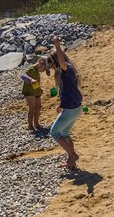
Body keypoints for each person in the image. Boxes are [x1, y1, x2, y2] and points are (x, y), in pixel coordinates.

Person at [48, 35, 82, 168]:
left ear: (56, 61)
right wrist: (61, 105)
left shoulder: (65, 67)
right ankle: (71, 162)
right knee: (65, 134)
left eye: (51, 62)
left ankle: (72, 155)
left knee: (55, 132)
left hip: (72, 108)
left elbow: (61, 61)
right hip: (75, 107)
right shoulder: (68, 71)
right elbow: (68, 92)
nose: (50, 66)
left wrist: (57, 45)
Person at [21, 56, 50, 131]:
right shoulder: (31, 69)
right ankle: (30, 125)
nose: (43, 71)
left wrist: (39, 88)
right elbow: (23, 76)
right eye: (43, 69)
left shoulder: (37, 71)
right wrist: (30, 80)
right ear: (40, 62)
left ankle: (36, 123)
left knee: (38, 107)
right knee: (32, 108)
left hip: (36, 91)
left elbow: (37, 82)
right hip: (29, 92)